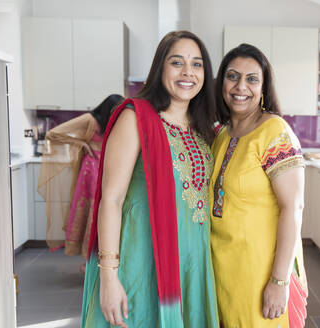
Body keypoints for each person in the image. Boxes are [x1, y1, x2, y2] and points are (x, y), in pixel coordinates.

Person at [81, 31, 219, 328]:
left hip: (192, 266)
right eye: (177, 62)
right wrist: (108, 277)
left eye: (197, 65)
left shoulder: (203, 129)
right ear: (160, 68)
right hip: (142, 259)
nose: (187, 72)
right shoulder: (136, 118)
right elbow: (112, 200)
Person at [210, 43, 308, 327]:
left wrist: (279, 281)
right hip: (224, 268)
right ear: (221, 83)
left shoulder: (274, 131)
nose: (241, 86)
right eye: (232, 76)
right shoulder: (221, 134)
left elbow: (293, 207)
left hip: (260, 271)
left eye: (252, 79)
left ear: (263, 88)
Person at [38, 94, 124, 264]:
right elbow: (53, 134)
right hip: (91, 171)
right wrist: (81, 144)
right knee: (92, 211)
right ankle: (88, 260)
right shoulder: (89, 120)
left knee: (105, 211)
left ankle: (100, 259)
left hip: (107, 168)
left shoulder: (113, 122)